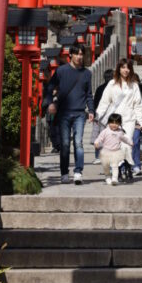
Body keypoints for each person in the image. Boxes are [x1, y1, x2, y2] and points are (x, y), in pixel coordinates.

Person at [46, 45, 94, 185]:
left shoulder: (87, 73)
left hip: (79, 112)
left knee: (78, 143)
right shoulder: (61, 71)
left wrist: (91, 110)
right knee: (65, 144)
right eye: (77, 54)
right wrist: (50, 103)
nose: (80, 57)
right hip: (64, 113)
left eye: (81, 54)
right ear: (70, 55)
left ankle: (78, 172)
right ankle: (64, 173)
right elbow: (49, 87)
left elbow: (89, 94)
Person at [95, 59, 142, 180]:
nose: (125, 70)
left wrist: (141, 121)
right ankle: (118, 169)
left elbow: (138, 104)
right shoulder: (112, 84)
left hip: (129, 119)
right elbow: (105, 101)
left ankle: (124, 166)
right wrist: (98, 115)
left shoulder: (134, 85)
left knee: (126, 145)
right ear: (119, 69)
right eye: (123, 67)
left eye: (128, 67)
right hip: (114, 119)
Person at [93, 112, 133, 185]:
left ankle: (114, 178)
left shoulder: (120, 132)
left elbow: (124, 139)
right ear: (108, 123)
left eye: (117, 123)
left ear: (120, 124)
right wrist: (96, 142)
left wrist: (130, 142)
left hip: (116, 152)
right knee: (106, 166)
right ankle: (107, 177)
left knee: (115, 166)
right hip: (106, 152)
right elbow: (100, 138)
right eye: (112, 123)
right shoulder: (105, 131)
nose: (114, 125)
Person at [91, 68, 114, 161]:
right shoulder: (114, 87)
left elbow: (95, 101)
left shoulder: (99, 88)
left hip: (100, 114)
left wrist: (94, 113)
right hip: (111, 114)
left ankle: (98, 156)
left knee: (99, 135)